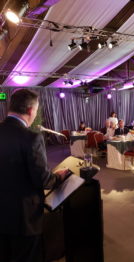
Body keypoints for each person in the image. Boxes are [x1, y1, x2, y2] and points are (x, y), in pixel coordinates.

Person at [0, 89, 68, 262]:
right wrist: (58, 177)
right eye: (36, 110)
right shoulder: (31, 138)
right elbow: (42, 179)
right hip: (23, 218)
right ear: (31, 110)